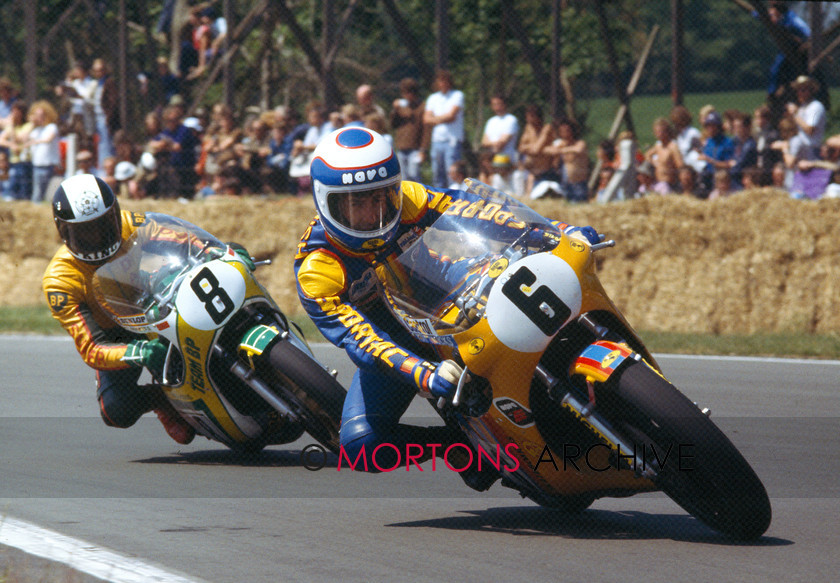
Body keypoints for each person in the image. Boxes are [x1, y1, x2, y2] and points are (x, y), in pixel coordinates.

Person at [293, 127, 601, 488]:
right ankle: (456, 445)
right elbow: (363, 341)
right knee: (360, 445)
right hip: (393, 341)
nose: (374, 213)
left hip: (443, 287)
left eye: (380, 198)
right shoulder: (317, 269)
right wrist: (422, 373)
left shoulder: (409, 199)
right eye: (356, 203)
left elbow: (480, 211)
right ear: (325, 202)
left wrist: (557, 232)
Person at [42, 175, 196, 444]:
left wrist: (224, 251)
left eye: (103, 226)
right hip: (118, 333)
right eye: (85, 231)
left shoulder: (133, 224)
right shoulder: (59, 280)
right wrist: (140, 352)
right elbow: (92, 348)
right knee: (115, 411)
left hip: (161, 303)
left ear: (115, 213)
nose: (97, 237)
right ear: (63, 231)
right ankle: (162, 398)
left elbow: (186, 238)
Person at [424, 69, 465, 189]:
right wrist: (443, 118)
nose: (442, 84)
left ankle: (454, 197)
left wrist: (435, 119)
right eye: (440, 81)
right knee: (437, 172)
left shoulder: (457, 95)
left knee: (452, 171)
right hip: (437, 140)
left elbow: (452, 116)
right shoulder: (433, 98)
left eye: (444, 81)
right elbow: (426, 119)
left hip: (452, 140)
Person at [389, 77, 426, 183]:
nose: (405, 96)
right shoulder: (400, 107)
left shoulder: (422, 107)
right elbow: (393, 124)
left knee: (414, 176)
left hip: (415, 148)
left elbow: (425, 130)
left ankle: (419, 198)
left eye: (407, 93)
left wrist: (423, 150)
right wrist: (395, 110)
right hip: (401, 147)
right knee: (403, 179)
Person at [25, 100, 61, 203]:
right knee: (37, 195)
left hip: (49, 166)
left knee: (50, 196)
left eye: (41, 115)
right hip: (37, 166)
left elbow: (48, 139)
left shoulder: (51, 127)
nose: (39, 117)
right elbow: (23, 139)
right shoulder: (36, 131)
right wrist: (31, 124)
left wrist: (34, 142)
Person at [786, 75, 826, 161]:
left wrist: (794, 114)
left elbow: (809, 130)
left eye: (803, 90)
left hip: (811, 151)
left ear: (811, 91)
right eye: (798, 90)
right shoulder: (802, 107)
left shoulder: (816, 106)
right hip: (800, 149)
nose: (800, 93)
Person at [698, 111, 734, 191]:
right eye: (708, 126)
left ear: (719, 127)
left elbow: (728, 164)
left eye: (713, 126)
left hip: (722, 180)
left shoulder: (727, 142)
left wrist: (710, 160)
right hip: (708, 178)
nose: (710, 129)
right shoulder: (709, 141)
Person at [645, 118, 683, 187]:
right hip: (658, 182)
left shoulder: (673, 147)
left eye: (660, 132)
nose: (657, 134)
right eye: (656, 132)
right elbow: (648, 154)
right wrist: (654, 163)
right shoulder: (658, 146)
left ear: (666, 132)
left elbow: (680, 166)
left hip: (669, 183)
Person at [480, 95, 519, 161]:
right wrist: (494, 144)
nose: (496, 107)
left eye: (498, 104)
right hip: (491, 159)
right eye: (494, 104)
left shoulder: (511, 120)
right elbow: (483, 142)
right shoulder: (490, 121)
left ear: (504, 104)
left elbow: (501, 144)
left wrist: (490, 144)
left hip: (507, 159)